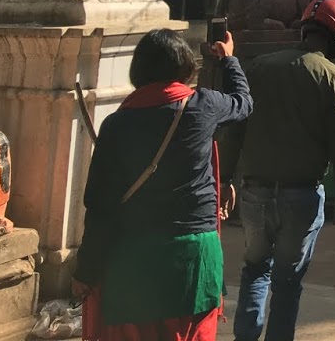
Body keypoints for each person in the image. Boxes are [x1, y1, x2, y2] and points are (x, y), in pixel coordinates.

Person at [74, 27, 251, 341]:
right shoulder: (204, 106)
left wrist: (85, 271)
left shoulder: (117, 124)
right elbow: (243, 101)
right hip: (195, 260)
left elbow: (100, 207)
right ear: (185, 67)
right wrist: (229, 59)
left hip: (135, 259)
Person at [221, 0, 335, 341]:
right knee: (287, 283)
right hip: (301, 198)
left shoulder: (260, 67)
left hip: (254, 193)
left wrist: (225, 179)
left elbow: (234, 128)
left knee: (255, 270)